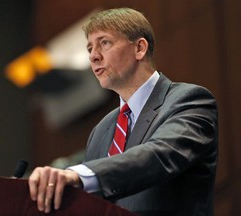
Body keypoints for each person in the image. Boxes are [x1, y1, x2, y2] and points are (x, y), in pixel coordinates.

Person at [28, 7, 218, 216]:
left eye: (104, 43)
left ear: (139, 48)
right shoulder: (101, 131)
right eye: (90, 48)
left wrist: (79, 175)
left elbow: (158, 155)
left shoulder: (189, 100)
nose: (93, 56)